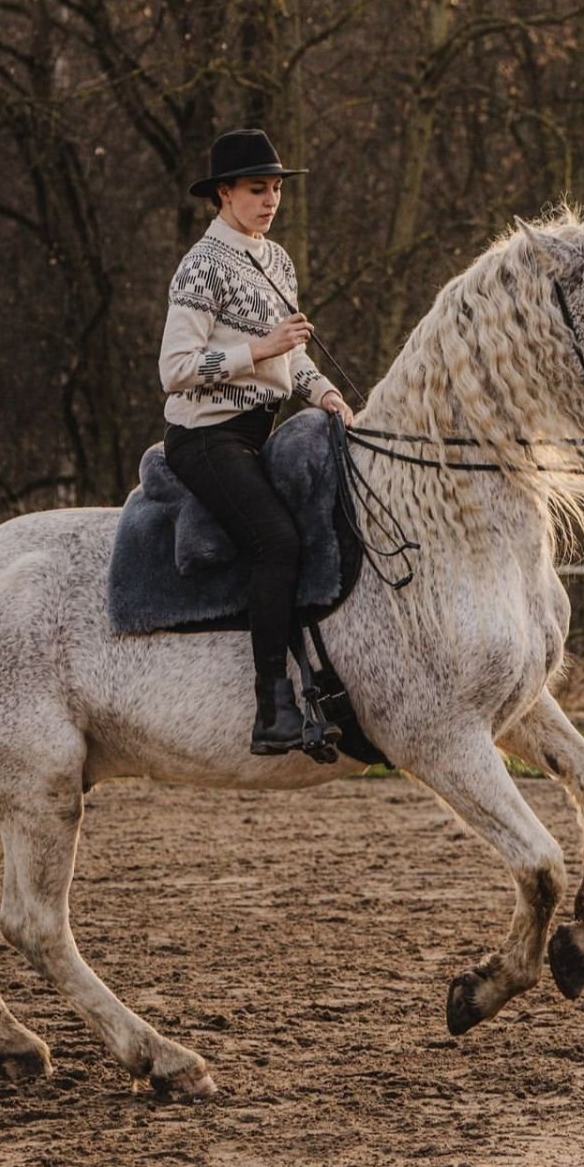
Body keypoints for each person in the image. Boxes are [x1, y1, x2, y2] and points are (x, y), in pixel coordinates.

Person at [159, 128, 354, 756]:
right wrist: (256, 350)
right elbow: (176, 369)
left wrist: (324, 393)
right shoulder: (200, 266)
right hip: (205, 435)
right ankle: (272, 706)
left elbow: (289, 359)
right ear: (224, 194)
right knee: (277, 539)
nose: (269, 200)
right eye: (255, 189)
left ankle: (324, 694)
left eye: (274, 189)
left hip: (260, 429)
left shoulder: (277, 260)